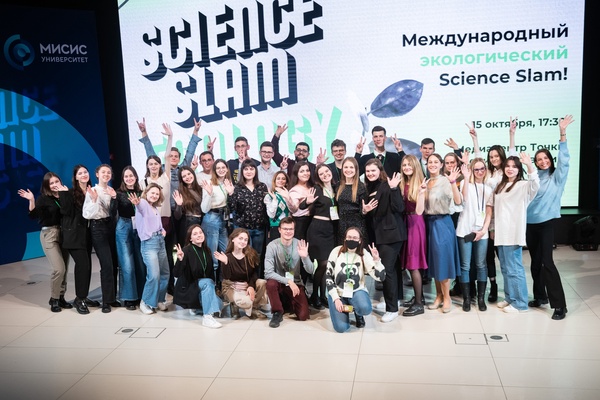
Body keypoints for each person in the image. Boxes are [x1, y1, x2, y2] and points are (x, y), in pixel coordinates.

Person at [526, 115, 573, 320]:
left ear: (550, 160)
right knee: (535, 263)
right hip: (529, 225)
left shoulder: (557, 177)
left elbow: (564, 160)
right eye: (539, 159)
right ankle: (540, 297)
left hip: (546, 225)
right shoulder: (533, 178)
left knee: (547, 263)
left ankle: (560, 305)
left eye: (546, 158)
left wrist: (562, 134)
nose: (543, 161)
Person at [467, 119, 517, 302]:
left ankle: (510, 292)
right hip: (486, 220)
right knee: (488, 257)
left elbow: (513, 155)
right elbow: (478, 159)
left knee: (503, 257)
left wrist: (511, 134)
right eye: (492, 156)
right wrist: (475, 139)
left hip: (502, 220)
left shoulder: (507, 172)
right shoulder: (487, 172)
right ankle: (493, 286)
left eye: (497, 156)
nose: (494, 159)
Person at [491, 153, 539, 313]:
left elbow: (535, 185)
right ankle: (510, 297)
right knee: (505, 269)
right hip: (501, 233)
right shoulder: (500, 185)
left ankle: (520, 303)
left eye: (514, 166)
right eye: (508, 166)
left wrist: (529, 165)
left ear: (519, 169)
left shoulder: (523, 185)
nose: (510, 169)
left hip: (513, 233)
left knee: (514, 269)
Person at [18, 172, 72, 313]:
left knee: (65, 269)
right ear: (47, 186)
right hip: (49, 234)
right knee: (58, 269)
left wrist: (65, 194)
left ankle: (61, 297)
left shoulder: (65, 195)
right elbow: (33, 215)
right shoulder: (43, 198)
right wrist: (31, 200)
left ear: (60, 182)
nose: (54, 185)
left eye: (56, 181)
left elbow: (69, 212)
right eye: (51, 183)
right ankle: (54, 299)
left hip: (64, 234)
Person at [416, 153, 462, 313]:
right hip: (428, 224)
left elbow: (458, 201)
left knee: (443, 260)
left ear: (441, 164)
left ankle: (447, 297)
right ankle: (438, 296)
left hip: (443, 224)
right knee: (433, 262)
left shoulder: (446, 181)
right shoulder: (426, 182)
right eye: (430, 162)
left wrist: (453, 183)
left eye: (436, 162)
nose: (433, 164)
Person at [362, 158, 406, 323]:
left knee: (386, 270)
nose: (370, 173)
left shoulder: (388, 185)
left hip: (392, 235)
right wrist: (365, 211)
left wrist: (394, 188)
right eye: (367, 171)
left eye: (373, 170)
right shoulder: (369, 187)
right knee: (393, 268)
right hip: (379, 236)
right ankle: (396, 299)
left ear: (380, 170)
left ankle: (392, 309)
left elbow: (399, 207)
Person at [325, 227, 386, 332]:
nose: (351, 239)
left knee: (365, 308)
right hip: (338, 292)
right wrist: (336, 299)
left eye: (354, 238)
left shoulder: (363, 253)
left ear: (360, 240)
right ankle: (346, 310)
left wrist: (377, 261)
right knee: (341, 328)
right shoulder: (336, 251)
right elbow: (328, 277)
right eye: (349, 237)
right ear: (345, 238)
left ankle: (358, 313)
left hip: (357, 291)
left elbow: (381, 277)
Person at [56, 165, 97, 314]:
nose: (84, 174)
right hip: (74, 235)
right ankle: (79, 299)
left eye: (85, 172)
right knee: (82, 265)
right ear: (76, 177)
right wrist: (63, 194)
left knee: (88, 266)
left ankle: (83, 296)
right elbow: (65, 211)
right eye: (80, 173)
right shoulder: (71, 192)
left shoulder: (92, 191)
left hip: (87, 234)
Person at [140, 123, 174, 292]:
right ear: (147, 166)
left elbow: (167, 156)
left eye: (156, 163)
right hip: (151, 225)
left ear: (160, 165)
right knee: (153, 261)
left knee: (166, 256)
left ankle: (167, 289)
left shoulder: (165, 177)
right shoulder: (143, 182)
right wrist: (144, 132)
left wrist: (170, 137)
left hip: (166, 220)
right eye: (150, 163)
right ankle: (153, 291)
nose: (153, 166)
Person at [82, 164, 120, 313]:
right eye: (103, 172)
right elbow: (86, 214)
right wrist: (94, 200)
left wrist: (114, 197)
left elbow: (113, 212)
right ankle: (106, 301)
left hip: (111, 226)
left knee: (114, 263)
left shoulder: (111, 190)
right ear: (97, 174)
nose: (106, 174)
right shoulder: (92, 191)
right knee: (106, 264)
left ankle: (112, 298)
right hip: (97, 228)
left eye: (108, 172)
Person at [264, 217, 315, 328]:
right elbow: (268, 273)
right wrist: (288, 281)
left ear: (294, 230)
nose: (288, 231)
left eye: (291, 229)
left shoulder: (299, 244)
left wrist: (305, 257)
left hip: (295, 282)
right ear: (279, 230)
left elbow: (311, 270)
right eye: (285, 229)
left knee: (303, 315)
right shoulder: (272, 246)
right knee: (270, 283)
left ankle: (286, 303)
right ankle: (277, 312)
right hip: (279, 282)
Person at [456, 159, 493, 312]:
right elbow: (463, 199)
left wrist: (484, 230)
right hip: (465, 230)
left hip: (481, 232)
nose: (479, 172)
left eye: (482, 169)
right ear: (471, 170)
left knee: (481, 264)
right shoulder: (466, 184)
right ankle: (466, 299)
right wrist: (466, 177)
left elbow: (489, 212)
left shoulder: (489, 188)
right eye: (476, 169)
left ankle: (481, 299)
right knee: (465, 265)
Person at [129, 183, 171, 315]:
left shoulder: (155, 208)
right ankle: (145, 302)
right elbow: (140, 206)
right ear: (146, 193)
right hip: (149, 244)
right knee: (154, 275)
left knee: (165, 273)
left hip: (160, 242)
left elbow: (156, 224)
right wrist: (137, 203)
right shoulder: (143, 203)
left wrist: (162, 230)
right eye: (152, 192)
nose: (154, 195)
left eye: (157, 194)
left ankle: (159, 300)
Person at [301, 163, 338, 309]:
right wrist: (307, 201)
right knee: (322, 264)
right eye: (321, 173)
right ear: (318, 177)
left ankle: (323, 296)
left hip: (331, 230)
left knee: (327, 265)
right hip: (317, 230)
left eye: (326, 171)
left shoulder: (336, 188)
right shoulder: (317, 188)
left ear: (331, 172)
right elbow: (302, 206)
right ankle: (314, 295)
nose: (325, 175)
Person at [174, 224, 223, 328]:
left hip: (202, 286)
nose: (199, 235)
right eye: (195, 234)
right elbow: (176, 273)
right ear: (190, 238)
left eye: (200, 232)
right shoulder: (186, 250)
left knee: (219, 305)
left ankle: (196, 307)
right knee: (208, 283)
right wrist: (180, 260)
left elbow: (210, 273)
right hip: (189, 287)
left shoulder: (207, 250)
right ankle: (207, 318)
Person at [215, 228, 268, 319]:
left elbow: (254, 274)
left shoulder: (250, 254)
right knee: (246, 302)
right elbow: (227, 277)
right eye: (240, 238)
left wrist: (251, 286)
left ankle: (254, 308)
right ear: (233, 239)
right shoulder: (227, 256)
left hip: (246, 285)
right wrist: (225, 263)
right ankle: (234, 304)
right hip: (232, 287)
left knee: (262, 282)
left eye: (245, 240)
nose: (243, 241)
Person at [398, 155, 428, 316]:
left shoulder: (420, 184)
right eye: (404, 165)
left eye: (409, 164)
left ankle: (418, 304)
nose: (406, 167)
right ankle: (419, 297)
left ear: (415, 166)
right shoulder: (403, 183)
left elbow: (419, 210)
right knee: (412, 263)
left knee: (413, 264)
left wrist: (422, 193)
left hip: (415, 223)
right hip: (405, 222)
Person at [115, 166, 146, 310]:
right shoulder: (118, 193)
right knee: (127, 263)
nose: (129, 178)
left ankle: (141, 294)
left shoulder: (142, 192)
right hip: (124, 226)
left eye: (131, 176)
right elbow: (112, 211)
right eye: (126, 176)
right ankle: (129, 298)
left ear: (136, 177)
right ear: (123, 178)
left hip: (139, 226)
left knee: (140, 262)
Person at [199, 159, 235, 276]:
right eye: (218, 168)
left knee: (226, 252)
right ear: (214, 170)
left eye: (223, 167)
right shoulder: (209, 183)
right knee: (213, 255)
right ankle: (212, 283)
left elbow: (232, 204)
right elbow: (204, 209)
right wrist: (209, 195)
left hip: (224, 220)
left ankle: (224, 282)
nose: (221, 170)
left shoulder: (228, 183)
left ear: (227, 169)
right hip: (211, 219)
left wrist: (231, 193)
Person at [335, 157, 367, 244]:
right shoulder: (338, 186)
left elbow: (363, 211)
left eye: (351, 167)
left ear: (356, 169)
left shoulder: (361, 187)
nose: (348, 170)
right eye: (346, 167)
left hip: (357, 225)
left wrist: (364, 211)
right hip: (341, 225)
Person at [173, 166, 203, 248]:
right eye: (184, 176)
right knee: (188, 249)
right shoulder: (180, 192)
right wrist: (179, 205)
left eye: (189, 174)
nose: (187, 177)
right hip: (188, 223)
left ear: (193, 173)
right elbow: (177, 216)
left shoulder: (200, 189)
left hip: (201, 222)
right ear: (181, 179)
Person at [264, 171, 294, 243]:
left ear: (286, 181)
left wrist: (288, 198)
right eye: (278, 178)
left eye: (283, 179)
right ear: (274, 181)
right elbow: (271, 215)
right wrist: (275, 200)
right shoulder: (269, 196)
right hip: (275, 226)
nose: (281, 180)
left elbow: (293, 211)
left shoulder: (290, 194)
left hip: (288, 227)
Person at [288, 161, 314, 240]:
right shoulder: (294, 190)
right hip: (301, 224)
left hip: (313, 223)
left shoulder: (312, 187)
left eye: (307, 170)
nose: (306, 173)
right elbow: (294, 209)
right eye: (302, 171)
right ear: (296, 174)